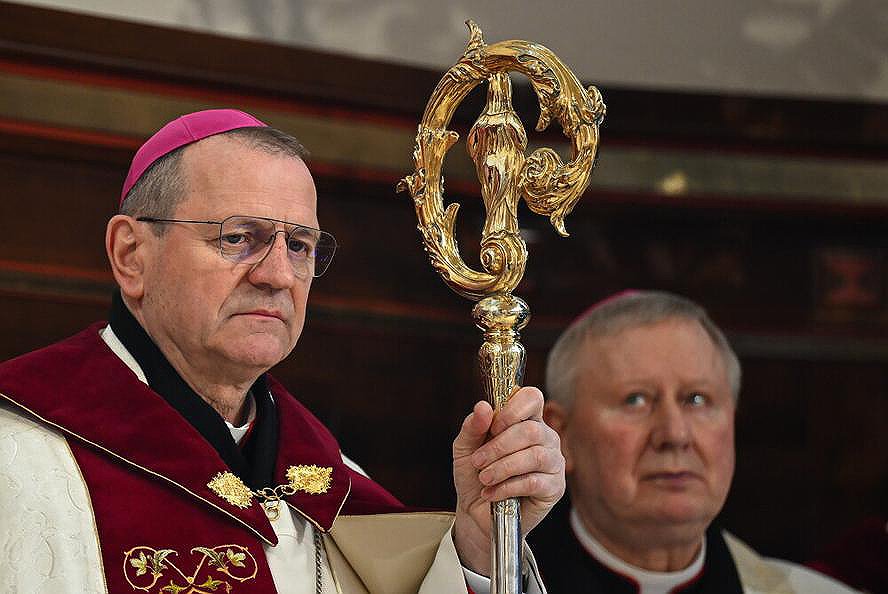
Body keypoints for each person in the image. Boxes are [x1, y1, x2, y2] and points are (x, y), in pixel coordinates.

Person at [0, 109, 565, 594]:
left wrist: (479, 543)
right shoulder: (19, 457)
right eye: (237, 237)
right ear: (131, 255)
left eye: (298, 245)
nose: (277, 275)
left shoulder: (330, 480)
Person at [529, 290, 859, 594]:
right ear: (562, 434)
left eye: (697, 399)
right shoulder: (507, 581)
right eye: (636, 399)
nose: (675, 435)